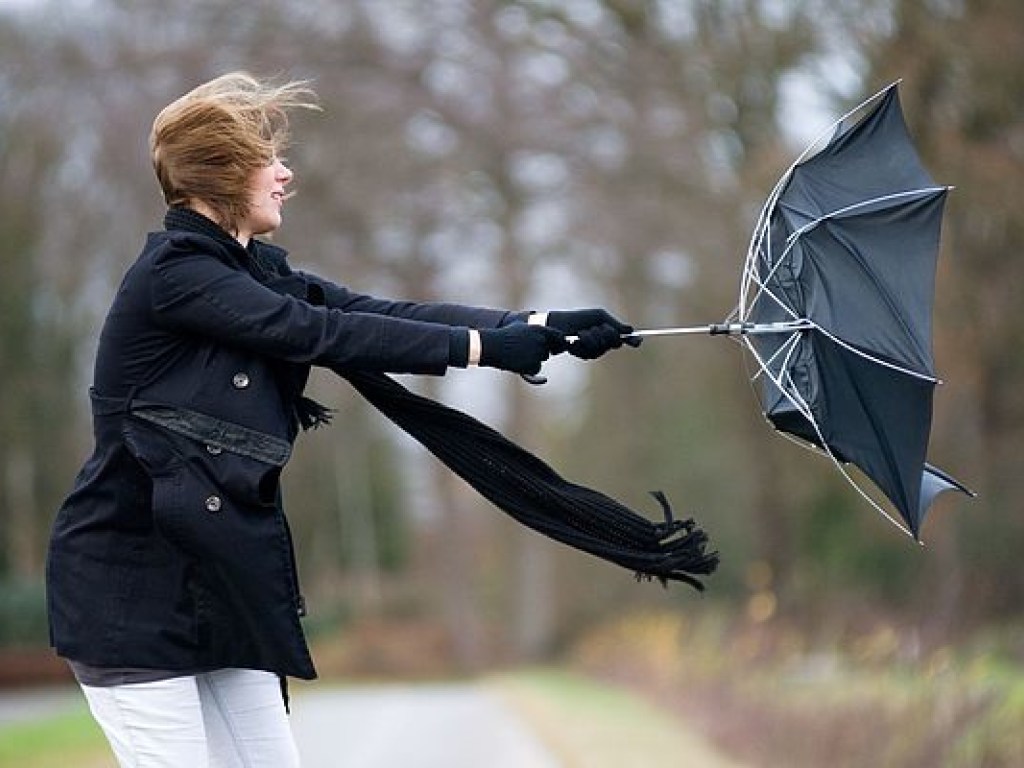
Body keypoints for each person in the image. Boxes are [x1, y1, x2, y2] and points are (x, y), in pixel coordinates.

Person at [45, 72, 637, 767]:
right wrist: (482, 349)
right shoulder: (175, 275)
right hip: (131, 596)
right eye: (269, 159)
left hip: (218, 587)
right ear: (224, 172)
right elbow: (316, 333)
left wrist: (535, 325)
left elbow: (370, 314)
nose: (285, 173)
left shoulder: (246, 272)